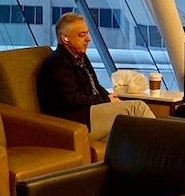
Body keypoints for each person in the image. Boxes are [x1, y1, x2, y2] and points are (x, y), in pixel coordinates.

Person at [37, 12, 154, 142]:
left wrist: (111, 98)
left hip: (89, 112)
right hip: (75, 120)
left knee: (129, 130)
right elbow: (70, 99)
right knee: (137, 107)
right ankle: (165, 147)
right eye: (82, 35)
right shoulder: (57, 63)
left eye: (87, 33)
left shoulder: (80, 57)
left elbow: (95, 86)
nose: (88, 39)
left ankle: (154, 152)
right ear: (65, 38)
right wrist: (105, 99)